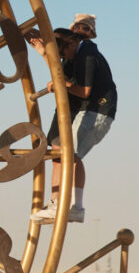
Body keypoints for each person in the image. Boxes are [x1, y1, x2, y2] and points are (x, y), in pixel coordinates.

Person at [27, 26, 117, 224]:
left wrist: (63, 85)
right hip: (80, 112)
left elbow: (84, 91)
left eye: (63, 52)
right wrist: (44, 54)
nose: (63, 56)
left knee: (71, 155)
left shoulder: (87, 57)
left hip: (96, 112)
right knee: (59, 153)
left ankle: (74, 206)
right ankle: (56, 202)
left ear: (72, 42)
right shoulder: (74, 53)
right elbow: (59, 72)